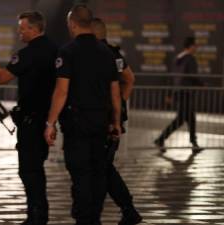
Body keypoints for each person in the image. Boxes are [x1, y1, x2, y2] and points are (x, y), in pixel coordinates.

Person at [44, 5, 121, 225]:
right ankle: (94, 218)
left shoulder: (67, 51)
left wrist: (50, 123)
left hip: (77, 124)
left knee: (80, 174)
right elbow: (115, 92)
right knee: (98, 173)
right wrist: (115, 122)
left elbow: (62, 90)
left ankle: (83, 219)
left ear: (73, 24)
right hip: (101, 123)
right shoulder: (106, 52)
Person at [0, 11, 57, 225]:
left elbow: (2, 77)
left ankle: (37, 216)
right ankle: (37, 213)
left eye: (22, 28)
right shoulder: (56, 50)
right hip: (47, 118)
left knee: (28, 170)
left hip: (30, 120)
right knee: (37, 167)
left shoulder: (27, 54)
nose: (19, 32)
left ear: (34, 29)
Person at [91, 18, 142, 225]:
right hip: (111, 119)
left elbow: (128, 79)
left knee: (102, 168)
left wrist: (116, 109)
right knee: (103, 167)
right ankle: (127, 210)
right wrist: (120, 104)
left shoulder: (98, 54)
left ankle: (126, 209)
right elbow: (130, 79)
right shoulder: (114, 53)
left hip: (104, 120)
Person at [154, 37, 203, 153]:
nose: (196, 48)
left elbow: (173, 77)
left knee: (190, 118)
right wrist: (202, 84)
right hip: (186, 92)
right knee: (181, 119)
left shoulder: (178, 58)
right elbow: (192, 76)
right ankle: (161, 139)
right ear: (191, 46)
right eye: (195, 46)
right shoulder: (190, 59)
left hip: (178, 92)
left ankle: (194, 143)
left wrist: (170, 93)